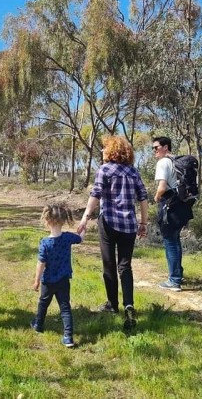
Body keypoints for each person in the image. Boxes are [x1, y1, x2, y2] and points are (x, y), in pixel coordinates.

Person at [77, 135, 148, 331]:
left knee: (109, 265)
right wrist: (143, 222)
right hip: (129, 225)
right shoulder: (133, 172)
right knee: (125, 265)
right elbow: (143, 198)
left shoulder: (105, 170)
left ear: (111, 150)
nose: (102, 151)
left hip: (108, 223)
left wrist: (85, 217)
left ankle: (112, 305)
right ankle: (129, 305)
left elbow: (96, 194)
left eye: (105, 148)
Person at [31, 203, 85, 348]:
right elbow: (80, 239)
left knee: (43, 304)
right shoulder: (68, 238)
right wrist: (82, 228)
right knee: (65, 307)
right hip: (63, 280)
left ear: (47, 221)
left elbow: (40, 264)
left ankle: (38, 325)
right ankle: (68, 337)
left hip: (48, 281)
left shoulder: (45, 243)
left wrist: (36, 281)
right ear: (63, 221)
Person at [152, 136, 193, 292]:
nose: (154, 151)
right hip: (180, 204)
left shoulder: (163, 163)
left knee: (170, 241)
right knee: (175, 240)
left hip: (169, 204)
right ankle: (178, 275)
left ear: (166, 147)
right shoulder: (175, 162)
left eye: (156, 147)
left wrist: (156, 198)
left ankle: (174, 281)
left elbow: (162, 187)